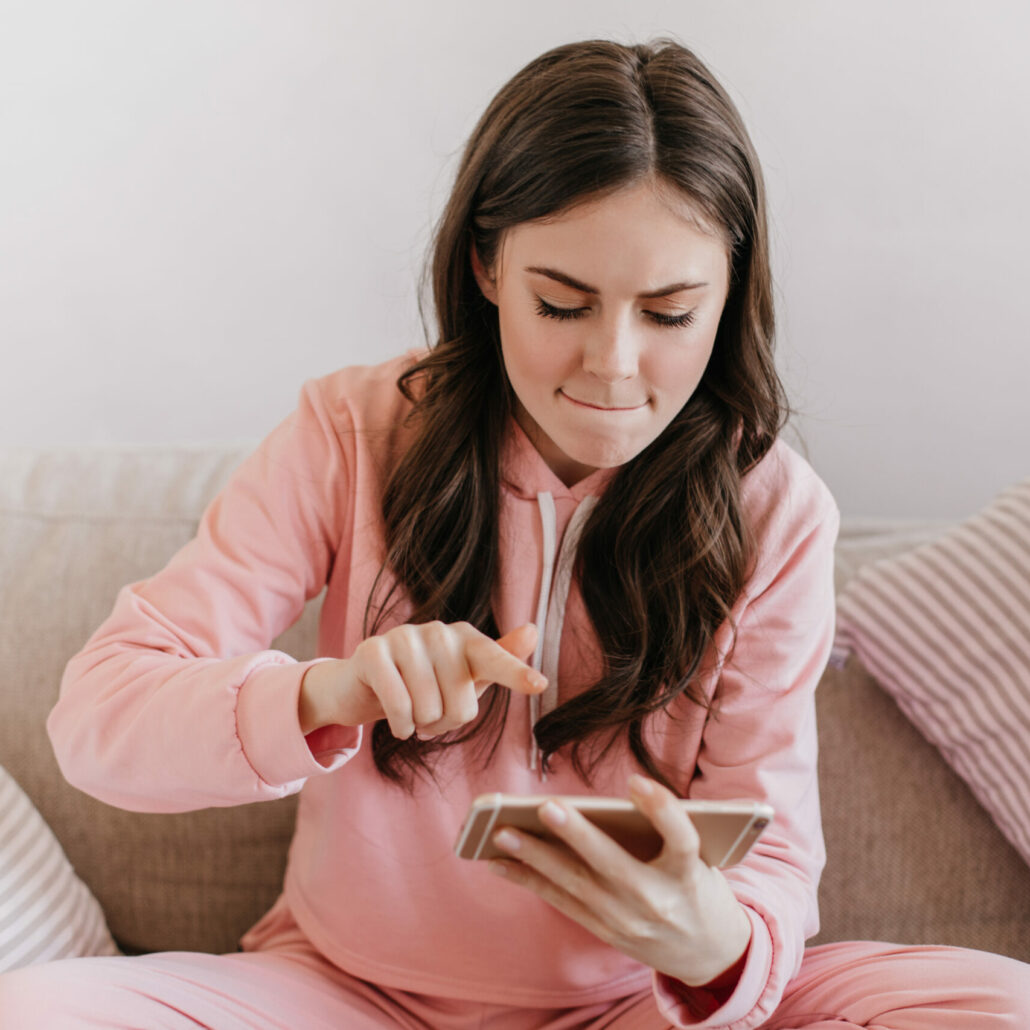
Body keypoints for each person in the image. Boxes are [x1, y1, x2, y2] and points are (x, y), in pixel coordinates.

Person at [1, 35, 1027, 1030]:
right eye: (561, 302)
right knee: (35, 1008)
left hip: (638, 1009)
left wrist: (707, 938)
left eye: (668, 313)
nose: (614, 365)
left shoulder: (778, 514)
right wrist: (330, 691)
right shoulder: (353, 432)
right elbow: (97, 721)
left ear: (729, 295)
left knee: (995, 1005)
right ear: (489, 266)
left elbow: (773, 851)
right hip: (344, 997)